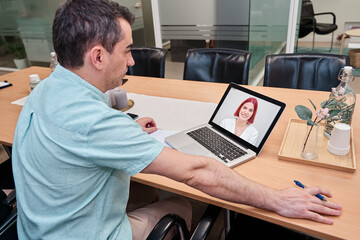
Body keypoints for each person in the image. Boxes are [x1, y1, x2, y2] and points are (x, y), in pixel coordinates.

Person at [12, 0, 342, 239]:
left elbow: (83, 134)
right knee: (183, 203)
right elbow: (198, 172)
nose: (131, 62)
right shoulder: (94, 122)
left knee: (142, 188)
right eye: (127, 51)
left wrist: (127, 128)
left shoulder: (48, 86)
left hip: (36, 228)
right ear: (97, 56)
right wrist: (277, 198)